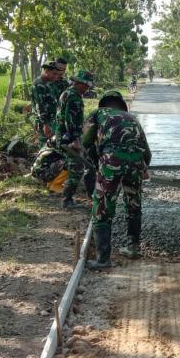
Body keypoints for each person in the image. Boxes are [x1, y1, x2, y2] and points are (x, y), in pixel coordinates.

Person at [82, 90, 152, 267]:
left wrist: (96, 161)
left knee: (102, 208)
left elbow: (86, 141)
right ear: (121, 105)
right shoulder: (132, 118)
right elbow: (147, 152)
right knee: (133, 205)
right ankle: (133, 249)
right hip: (135, 163)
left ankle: (103, 259)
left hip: (111, 161)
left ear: (104, 104)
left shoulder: (98, 113)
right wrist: (143, 169)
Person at [56, 70, 95, 209]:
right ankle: (67, 200)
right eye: (86, 86)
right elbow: (70, 121)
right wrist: (75, 141)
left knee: (76, 166)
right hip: (69, 139)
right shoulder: (73, 97)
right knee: (77, 169)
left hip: (66, 136)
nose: (87, 89)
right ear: (80, 83)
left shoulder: (68, 93)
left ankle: (71, 197)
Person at [31, 62, 59, 146]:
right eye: (53, 74)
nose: (55, 76)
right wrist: (45, 125)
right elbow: (40, 106)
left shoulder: (46, 84)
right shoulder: (39, 84)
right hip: (44, 122)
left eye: (57, 74)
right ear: (46, 71)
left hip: (50, 120)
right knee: (45, 146)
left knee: (50, 145)